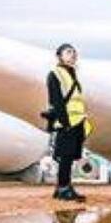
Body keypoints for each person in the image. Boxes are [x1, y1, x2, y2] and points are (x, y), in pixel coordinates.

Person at [44, 43, 94, 202]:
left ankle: (63, 187)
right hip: (67, 122)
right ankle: (64, 189)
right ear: (59, 56)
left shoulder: (72, 73)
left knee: (70, 156)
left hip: (77, 121)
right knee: (65, 156)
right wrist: (64, 122)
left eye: (73, 52)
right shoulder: (55, 74)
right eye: (68, 52)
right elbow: (56, 100)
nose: (72, 54)